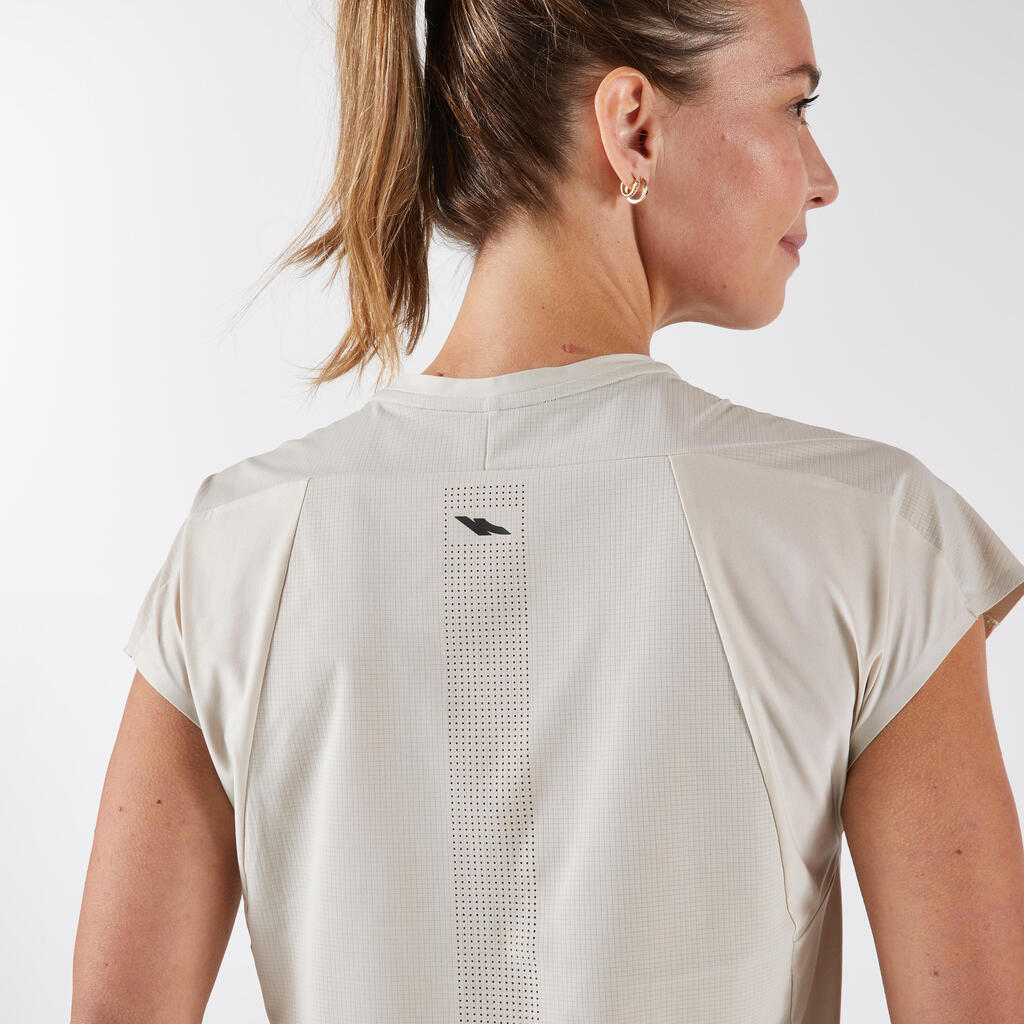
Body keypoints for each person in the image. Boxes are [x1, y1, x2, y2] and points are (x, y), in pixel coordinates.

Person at [72, 0, 1024, 1022]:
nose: (821, 176)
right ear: (633, 127)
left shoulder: (241, 545)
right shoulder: (871, 534)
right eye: (796, 106)